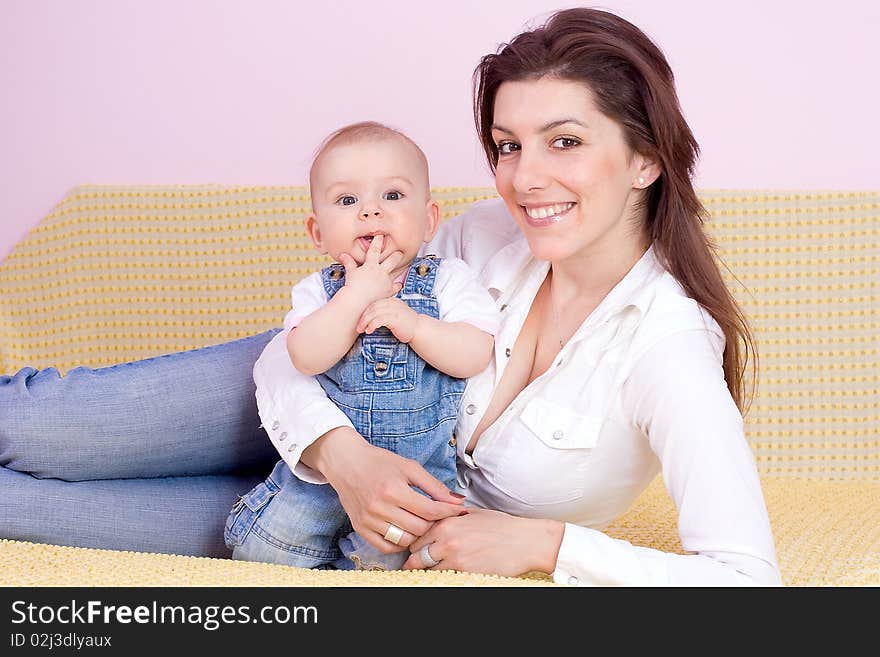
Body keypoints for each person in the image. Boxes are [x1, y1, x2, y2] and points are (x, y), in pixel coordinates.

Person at [0, 7, 781, 586]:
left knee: (25, 512)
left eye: (565, 142)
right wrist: (344, 458)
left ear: (646, 159)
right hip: (300, 404)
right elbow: (293, 353)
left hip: (336, 529)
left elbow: (749, 581)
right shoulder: (478, 237)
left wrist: (547, 545)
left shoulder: (667, 346)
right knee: (42, 426)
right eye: (508, 146)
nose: (525, 178)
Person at [225, 122, 498, 570]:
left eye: (392, 196)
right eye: (347, 200)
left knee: (389, 564)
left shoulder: (449, 281)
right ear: (318, 234)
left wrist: (415, 326)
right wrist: (356, 295)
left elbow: (474, 353)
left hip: (415, 486)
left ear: (429, 219)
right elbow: (304, 356)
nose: (371, 212)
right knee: (264, 553)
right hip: (318, 482)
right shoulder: (319, 291)